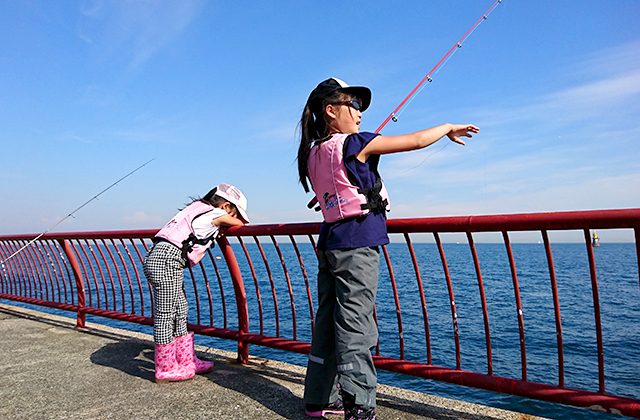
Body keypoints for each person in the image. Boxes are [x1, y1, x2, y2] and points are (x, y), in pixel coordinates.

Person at [296, 78, 478, 419]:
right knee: (356, 324)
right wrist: (448, 127)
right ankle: (359, 406)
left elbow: (336, 188)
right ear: (331, 111)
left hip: (331, 240)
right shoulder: (353, 143)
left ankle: (317, 399)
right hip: (357, 242)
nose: (360, 112)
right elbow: (414, 141)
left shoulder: (313, 152)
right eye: (352, 104)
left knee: (327, 321)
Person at [143, 183, 249, 383]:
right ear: (226, 207)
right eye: (235, 212)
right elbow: (239, 224)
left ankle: (185, 359)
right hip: (165, 261)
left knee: (180, 308)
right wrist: (231, 222)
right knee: (166, 314)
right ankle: (165, 367)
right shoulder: (213, 214)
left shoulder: (198, 210)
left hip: (166, 259)